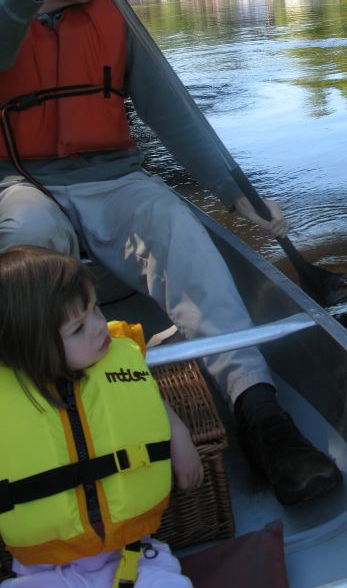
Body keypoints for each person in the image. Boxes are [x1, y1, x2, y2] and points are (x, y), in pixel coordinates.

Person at [0, 0, 341, 506]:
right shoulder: (8, 6)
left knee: (178, 226)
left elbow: (175, 114)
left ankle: (261, 416)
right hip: (18, 180)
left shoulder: (110, 10)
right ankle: (53, 422)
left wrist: (236, 195)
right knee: (29, 249)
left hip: (112, 176)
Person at [0, 245, 202, 586]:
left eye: (96, 309)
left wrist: (180, 436)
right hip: (44, 571)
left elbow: (151, 404)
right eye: (77, 329)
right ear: (33, 347)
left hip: (135, 555)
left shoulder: (117, 363)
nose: (98, 327)